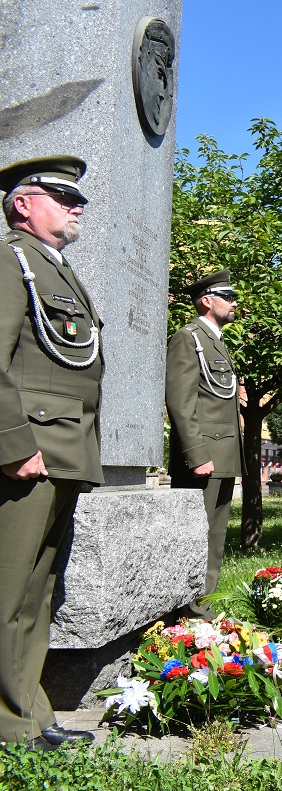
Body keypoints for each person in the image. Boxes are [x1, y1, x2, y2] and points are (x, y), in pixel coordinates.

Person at [0, 156, 103, 750]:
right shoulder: (10, 260)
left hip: (63, 447)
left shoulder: (53, 269)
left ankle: (30, 716)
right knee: (9, 591)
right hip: (29, 450)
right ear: (22, 204)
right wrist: (13, 444)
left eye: (77, 197)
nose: (76, 205)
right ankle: (9, 727)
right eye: (62, 195)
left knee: (37, 594)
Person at [165, 270, 245, 617]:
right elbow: (180, 401)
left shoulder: (215, 340)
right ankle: (188, 611)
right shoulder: (189, 338)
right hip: (205, 456)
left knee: (215, 536)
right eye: (228, 296)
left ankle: (203, 606)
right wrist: (196, 454)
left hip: (222, 453)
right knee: (196, 537)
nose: (234, 303)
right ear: (206, 301)